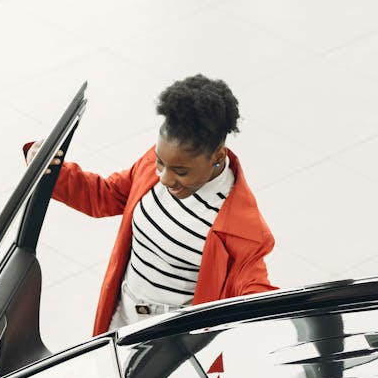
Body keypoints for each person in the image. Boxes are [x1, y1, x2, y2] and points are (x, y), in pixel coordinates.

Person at [26, 74, 276, 335]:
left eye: (180, 171)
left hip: (172, 339)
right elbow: (105, 194)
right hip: (120, 319)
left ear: (217, 156)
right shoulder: (153, 166)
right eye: (160, 162)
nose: (165, 178)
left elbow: (254, 290)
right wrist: (51, 170)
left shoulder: (239, 226)